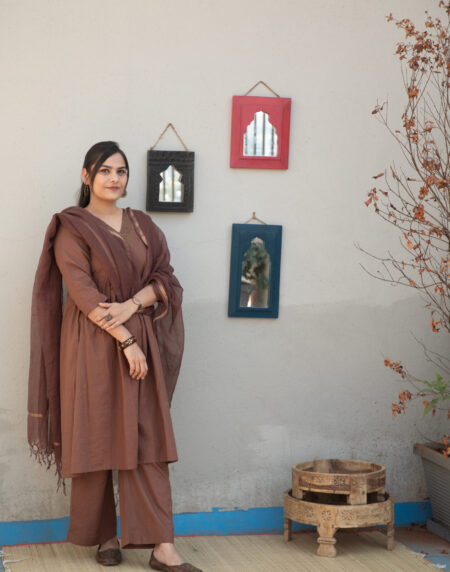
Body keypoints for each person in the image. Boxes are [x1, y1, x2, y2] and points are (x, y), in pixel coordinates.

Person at [27, 141, 202, 571]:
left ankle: (162, 546)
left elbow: (165, 277)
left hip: (138, 336)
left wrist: (132, 305)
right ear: (86, 176)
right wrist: (125, 339)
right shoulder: (71, 226)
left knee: (148, 439)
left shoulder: (143, 225)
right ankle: (105, 535)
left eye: (120, 171)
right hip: (91, 343)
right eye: (104, 170)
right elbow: (83, 292)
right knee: (96, 435)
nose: (113, 178)